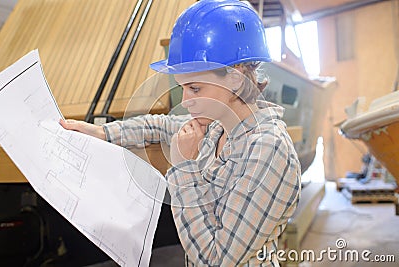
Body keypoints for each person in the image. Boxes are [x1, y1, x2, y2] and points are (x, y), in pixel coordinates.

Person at [60, 0, 301, 266]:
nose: (185, 101)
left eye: (195, 88)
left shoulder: (268, 150)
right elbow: (159, 125)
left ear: (235, 78)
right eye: (183, 88)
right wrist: (102, 132)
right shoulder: (217, 126)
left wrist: (184, 167)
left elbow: (214, 260)